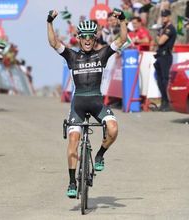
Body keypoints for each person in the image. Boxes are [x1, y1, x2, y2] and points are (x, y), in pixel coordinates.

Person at [47, 8, 127, 198]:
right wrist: (49, 22)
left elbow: (122, 39)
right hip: (78, 105)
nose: (88, 40)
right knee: (73, 141)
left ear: (95, 37)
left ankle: (99, 154)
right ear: (79, 38)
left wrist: (123, 20)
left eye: (91, 36)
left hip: (97, 102)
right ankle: (72, 181)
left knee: (114, 129)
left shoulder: (102, 55)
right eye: (84, 36)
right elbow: (54, 42)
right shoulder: (72, 56)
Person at [153, 9, 176, 111]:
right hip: (160, 56)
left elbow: (161, 42)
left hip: (165, 56)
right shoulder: (163, 28)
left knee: (165, 80)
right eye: (162, 16)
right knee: (159, 80)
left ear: (169, 17)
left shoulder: (169, 29)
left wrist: (157, 34)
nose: (163, 18)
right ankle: (163, 101)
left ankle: (167, 103)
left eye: (165, 16)